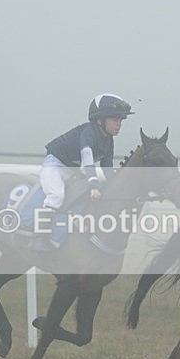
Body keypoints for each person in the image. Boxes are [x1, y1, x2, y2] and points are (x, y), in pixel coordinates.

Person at [31, 93, 133, 250]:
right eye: (115, 120)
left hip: (73, 170)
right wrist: (93, 185)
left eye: (120, 120)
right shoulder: (89, 132)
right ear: (100, 120)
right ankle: (38, 238)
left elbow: (107, 167)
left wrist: (116, 187)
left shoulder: (108, 140)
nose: (119, 125)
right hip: (55, 165)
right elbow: (87, 161)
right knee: (56, 196)